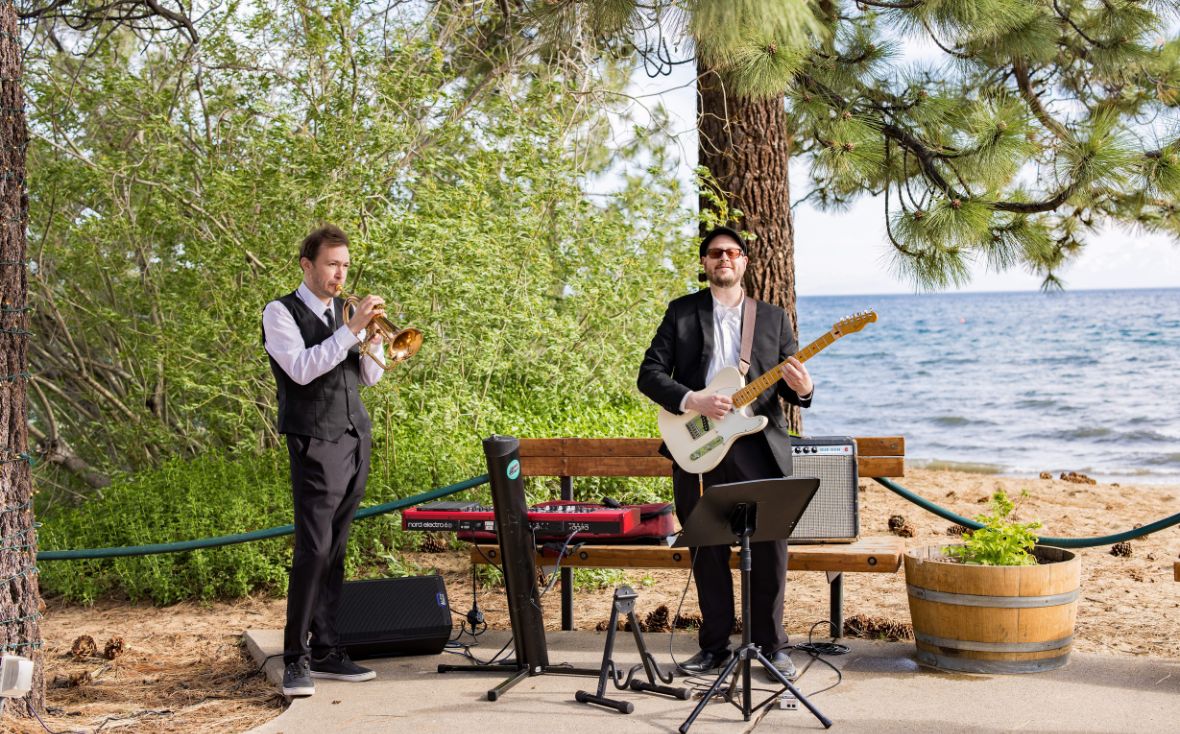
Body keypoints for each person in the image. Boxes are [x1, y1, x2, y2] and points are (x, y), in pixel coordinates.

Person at [637, 225, 814, 681]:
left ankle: (771, 647)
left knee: (771, 548)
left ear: (744, 263)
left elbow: (794, 390)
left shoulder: (773, 319)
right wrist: (692, 400)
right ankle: (714, 647)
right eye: (716, 253)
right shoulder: (681, 313)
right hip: (699, 448)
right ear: (705, 263)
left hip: (758, 447)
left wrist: (805, 387)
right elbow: (649, 374)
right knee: (708, 549)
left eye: (733, 253)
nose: (725, 260)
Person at [262, 224, 390, 697]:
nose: (340, 274)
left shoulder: (345, 311)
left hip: (355, 436)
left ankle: (328, 649)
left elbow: (369, 377)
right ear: (307, 265)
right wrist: (351, 329)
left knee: (336, 549)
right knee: (313, 549)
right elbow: (300, 370)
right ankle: (295, 657)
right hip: (314, 440)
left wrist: (372, 337)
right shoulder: (280, 312)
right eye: (332, 264)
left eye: (345, 266)